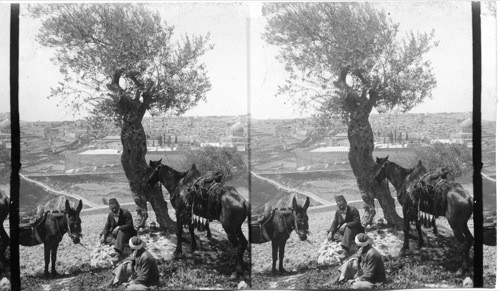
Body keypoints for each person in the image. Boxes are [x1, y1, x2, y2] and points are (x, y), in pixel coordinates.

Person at [327, 195, 364, 259]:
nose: (341, 206)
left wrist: (346, 224)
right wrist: (331, 232)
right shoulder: (338, 212)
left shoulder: (353, 210)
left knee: (348, 229)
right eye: (339, 205)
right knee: (332, 234)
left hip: (355, 230)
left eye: (342, 204)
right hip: (344, 231)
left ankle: (345, 250)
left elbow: (357, 222)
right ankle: (346, 239)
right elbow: (335, 222)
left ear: (346, 202)